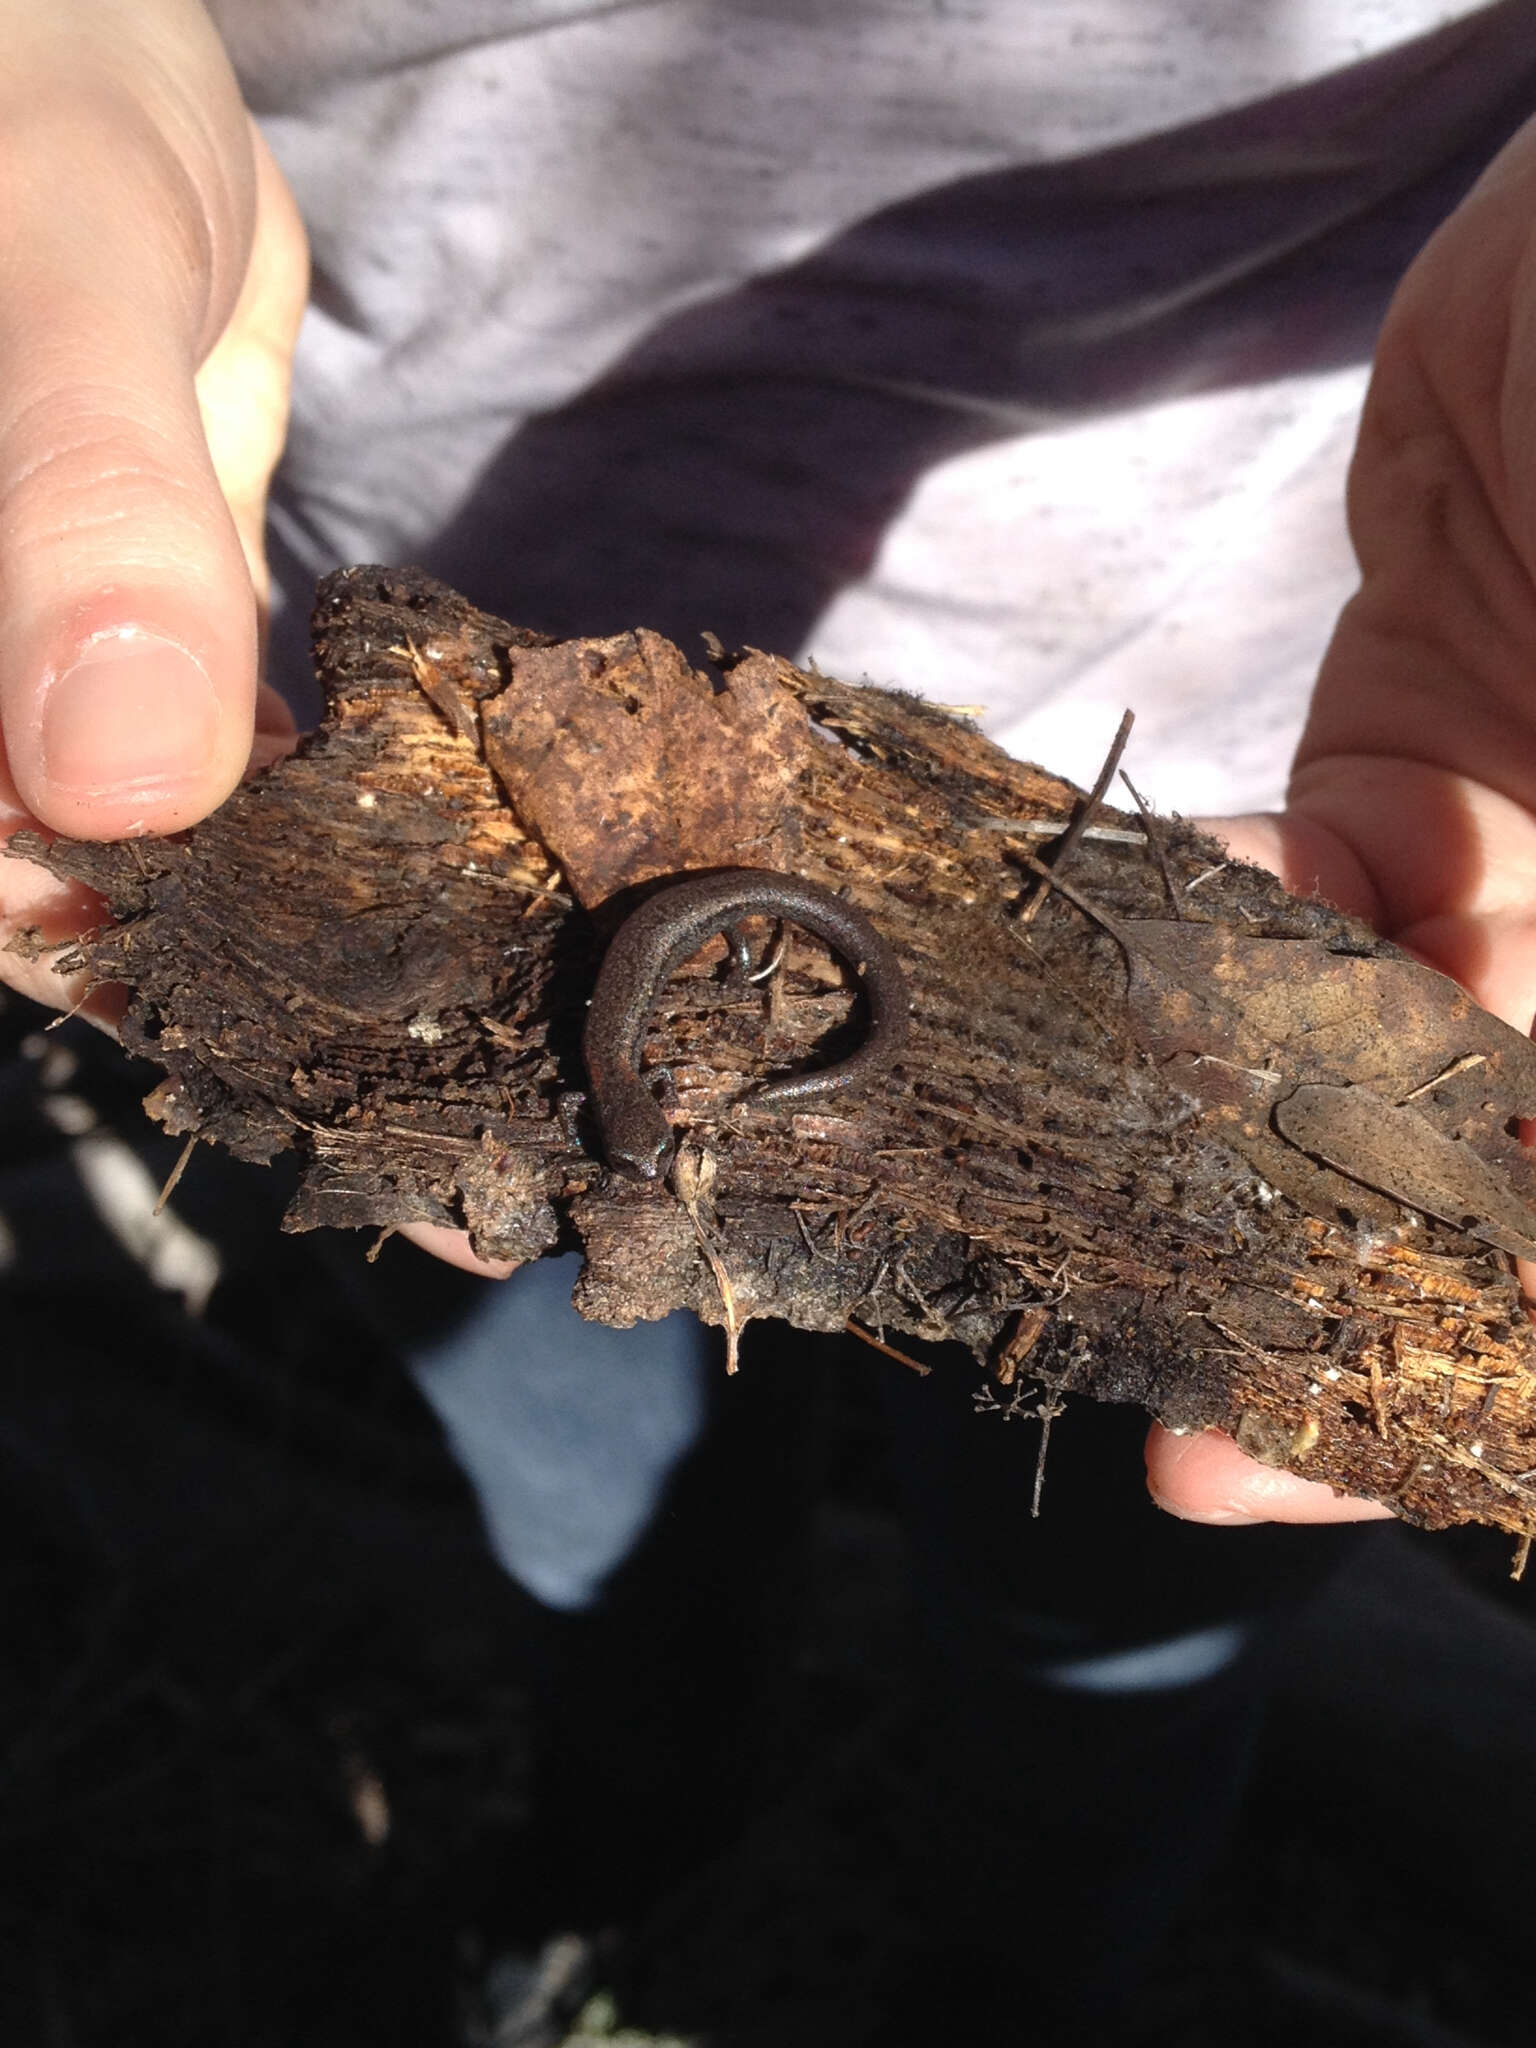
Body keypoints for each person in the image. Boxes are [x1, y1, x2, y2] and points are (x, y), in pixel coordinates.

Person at [2, 0, 1535, 2030]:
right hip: (426, 686)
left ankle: (1034, 1959)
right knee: (590, 1495)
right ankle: (633, 1825)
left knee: (1119, 1622)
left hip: (1283, 837)